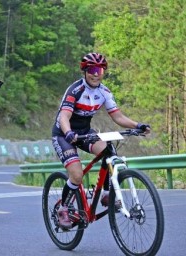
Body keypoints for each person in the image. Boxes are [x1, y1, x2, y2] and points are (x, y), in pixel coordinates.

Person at [51, 52, 150, 229]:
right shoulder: (75, 90)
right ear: (85, 71)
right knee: (77, 175)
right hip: (63, 134)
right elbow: (64, 117)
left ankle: (106, 194)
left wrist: (138, 125)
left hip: (84, 132)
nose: (96, 73)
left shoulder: (104, 92)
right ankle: (63, 208)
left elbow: (118, 116)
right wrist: (68, 133)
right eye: (92, 69)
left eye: (100, 69)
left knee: (109, 152)